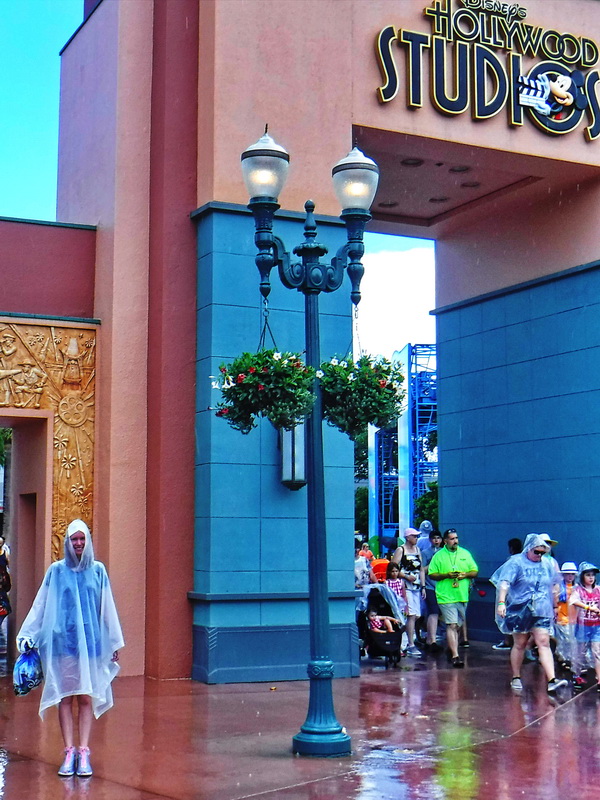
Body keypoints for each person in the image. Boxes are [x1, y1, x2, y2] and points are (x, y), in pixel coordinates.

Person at [16, 519, 124, 778]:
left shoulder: (98, 571)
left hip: (91, 645)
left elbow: (106, 607)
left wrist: (113, 642)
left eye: (82, 539)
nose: (78, 543)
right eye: (73, 539)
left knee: (86, 696)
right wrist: (28, 634)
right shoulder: (56, 571)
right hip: (63, 645)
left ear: (88, 541)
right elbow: (41, 604)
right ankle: (69, 751)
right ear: (67, 542)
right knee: (65, 696)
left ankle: (84, 751)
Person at [491, 533, 566, 693]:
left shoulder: (547, 564)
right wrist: (502, 602)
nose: (539, 555)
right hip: (520, 609)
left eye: (542, 552)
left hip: (541, 609)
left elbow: (554, 585)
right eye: (536, 552)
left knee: (543, 642)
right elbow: (504, 583)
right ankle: (516, 676)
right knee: (520, 643)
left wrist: (554, 606)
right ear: (529, 549)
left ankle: (552, 679)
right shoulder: (516, 562)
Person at [428, 529, 478, 668]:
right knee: (452, 625)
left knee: (458, 625)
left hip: (462, 595)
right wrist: (446, 575)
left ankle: (451, 648)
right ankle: (456, 656)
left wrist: (466, 574)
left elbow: (474, 571)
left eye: (456, 538)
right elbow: (432, 574)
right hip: (446, 595)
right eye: (451, 539)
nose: (455, 541)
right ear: (445, 541)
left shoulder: (465, 553)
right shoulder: (439, 556)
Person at [392, 528, 425, 657]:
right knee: (411, 614)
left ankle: (399, 634)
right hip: (406, 586)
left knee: (417, 615)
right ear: (408, 537)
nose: (416, 538)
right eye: (414, 536)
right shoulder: (401, 550)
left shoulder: (417, 550)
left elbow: (421, 569)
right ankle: (411, 644)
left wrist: (423, 586)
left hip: (416, 585)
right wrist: (405, 576)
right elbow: (393, 567)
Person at [568, 562, 600, 692]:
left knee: (597, 652)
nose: (591, 578)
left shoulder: (598, 589)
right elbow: (573, 601)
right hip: (582, 626)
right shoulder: (578, 590)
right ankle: (577, 675)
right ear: (582, 577)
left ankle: (599, 678)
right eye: (588, 575)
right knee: (580, 652)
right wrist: (588, 607)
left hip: (596, 626)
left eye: (592, 575)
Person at [492, 538, 523, 650]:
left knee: (507, 618)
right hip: (521, 597)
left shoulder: (512, 561)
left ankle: (508, 641)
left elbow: (502, 581)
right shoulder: (524, 560)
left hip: (511, 596)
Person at [421, 529, 443, 653]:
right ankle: (432, 640)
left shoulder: (444, 552)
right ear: (430, 540)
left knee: (439, 613)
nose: (436, 540)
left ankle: (430, 638)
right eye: (434, 538)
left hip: (443, 588)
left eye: (438, 538)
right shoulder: (425, 553)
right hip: (430, 586)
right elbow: (422, 570)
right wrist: (423, 586)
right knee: (433, 612)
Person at [555, 561, 577, 670]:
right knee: (564, 640)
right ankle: (562, 659)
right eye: (568, 574)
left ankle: (568, 660)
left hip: (573, 618)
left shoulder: (577, 588)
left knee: (571, 640)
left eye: (572, 574)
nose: (570, 576)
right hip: (562, 618)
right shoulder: (559, 588)